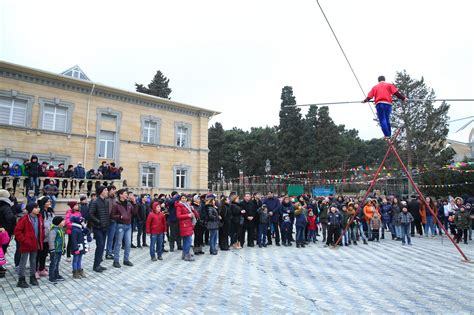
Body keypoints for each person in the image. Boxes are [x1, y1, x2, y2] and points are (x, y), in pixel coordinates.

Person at [14, 203, 44, 288]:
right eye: (36, 208)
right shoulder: (24, 219)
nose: (38, 209)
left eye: (38, 207)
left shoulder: (39, 217)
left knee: (33, 261)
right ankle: (21, 279)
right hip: (26, 244)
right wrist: (25, 240)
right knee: (23, 261)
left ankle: (32, 277)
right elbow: (17, 231)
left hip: (35, 243)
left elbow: (42, 229)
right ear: (31, 209)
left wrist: (41, 238)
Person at [110, 189, 135, 268]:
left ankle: (126, 260)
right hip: (120, 225)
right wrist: (120, 216)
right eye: (125, 193)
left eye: (127, 194)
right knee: (118, 243)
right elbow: (112, 215)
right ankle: (116, 261)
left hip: (128, 225)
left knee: (128, 243)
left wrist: (134, 203)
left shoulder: (129, 204)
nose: (127, 195)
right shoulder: (116, 204)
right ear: (120, 195)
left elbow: (134, 213)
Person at [88, 185, 110, 272]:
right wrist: (98, 221)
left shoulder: (106, 201)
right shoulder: (95, 202)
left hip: (105, 227)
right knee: (100, 245)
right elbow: (90, 214)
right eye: (105, 190)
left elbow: (106, 214)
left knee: (102, 246)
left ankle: (98, 264)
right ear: (101, 191)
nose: (107, 192)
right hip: (97, 227)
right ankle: (95, 266)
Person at [176, 194, 198, 261]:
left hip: (188, 224)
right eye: (182, 198)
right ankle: (187, 255)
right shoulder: (179, 206)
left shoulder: (187, 206)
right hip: (184, 225)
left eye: (185, 198)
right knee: (189, 240)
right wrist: (188, 215)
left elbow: (196, 215)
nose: (184, 199)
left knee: (186, 240)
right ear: (180, 199)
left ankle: (185, 254)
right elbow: (178, 216)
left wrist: (193, 210)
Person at [48, 216, 66, 283]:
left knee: (57, 263)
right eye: (62, 221)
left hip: (59, 250)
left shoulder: (61, 229)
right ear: (58, 222)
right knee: (53, 263)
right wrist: (52, 249)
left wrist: (64, 247)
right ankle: (51, 277)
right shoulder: (54, 230)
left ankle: (56, 275)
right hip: (55, 250)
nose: (64, 222)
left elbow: (63, 240)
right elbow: (51, 241)